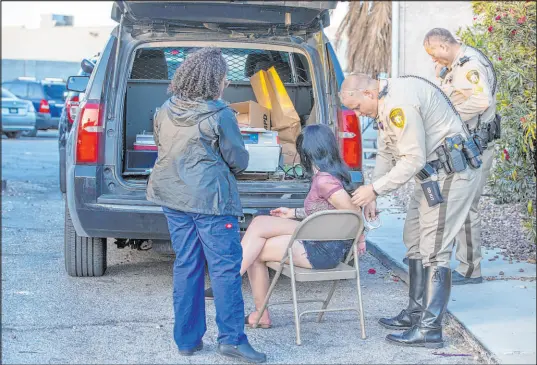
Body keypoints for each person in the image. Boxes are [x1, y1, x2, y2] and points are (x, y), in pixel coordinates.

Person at [340, 73, 480, 348]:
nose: (357, 113)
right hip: (430, 177)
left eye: (356, 107)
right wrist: (373, 193)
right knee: (414, 239)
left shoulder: (398, 104)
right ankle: (416, 312)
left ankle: (430, 329)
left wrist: (375, 190)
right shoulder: (384, 102)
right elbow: (385, 151)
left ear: (368, 93)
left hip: (450, 175)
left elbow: (412, 158)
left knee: (434, 247)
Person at [146, 48, 266, 364]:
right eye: (224, 78)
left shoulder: (165, 109)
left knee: (187, 264)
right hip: (211, 202)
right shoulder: (220, 114)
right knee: (225, 269)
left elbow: (163, 147)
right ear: (215, 81)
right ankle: (232, 340)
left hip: (172, 197)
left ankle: (187, 340)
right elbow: (237, 159)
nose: (226, 82)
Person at [205, 124, 366, 328]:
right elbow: (325, 211)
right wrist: (293, 213)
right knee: (257, 242)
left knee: (258, 232)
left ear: (308, 151)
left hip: (322, 249)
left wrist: (361, 238)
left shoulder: (325, 180)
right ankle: (255, 310)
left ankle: (228, 283)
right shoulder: (328, 175)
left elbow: (352, 213)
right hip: (320, 241)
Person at [423, 28, 498, 285]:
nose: (434, 60)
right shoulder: (457, 64)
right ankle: (459, 262)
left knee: (467, 207)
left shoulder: (469, 65)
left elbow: (481, 101)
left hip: (476, 145)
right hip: (467, 144)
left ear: (443, 47)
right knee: (459, 204)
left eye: (434, 54)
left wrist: (449, 117)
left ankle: (470, 270)